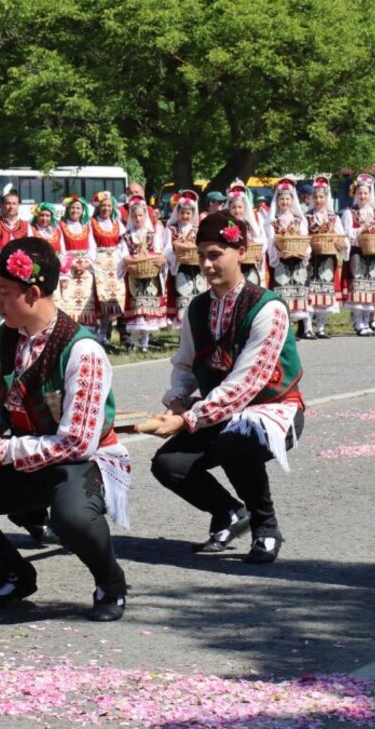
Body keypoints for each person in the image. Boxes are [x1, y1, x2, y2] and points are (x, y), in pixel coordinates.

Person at [0, 237, 131, 621]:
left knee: (72, 517)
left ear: (35, 293)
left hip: (80, 461)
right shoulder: (8, 335)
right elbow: (7, 404)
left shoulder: (82, 351)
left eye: (5, 292)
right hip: (30, 452)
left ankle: (111, 581)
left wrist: (1, 452)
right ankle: (15, 572)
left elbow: (77, 442)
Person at [148, 211, 304, 561]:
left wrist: (188, 419)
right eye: (201, 255)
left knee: (236, 441)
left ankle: (266, 527)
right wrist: (176, 400)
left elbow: (244, 385)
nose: (206, 264)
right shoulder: (197, 309)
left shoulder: (268, 308)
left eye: (215, 254)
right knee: (168, 465)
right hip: (218, 411)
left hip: (273, 410)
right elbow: (185, 364)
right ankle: (229, 512)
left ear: (241, 252)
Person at [342, 173, 375, 336]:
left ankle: (368, 321)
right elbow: (346, 234)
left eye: (365, 193)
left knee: (371, 289)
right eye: (360, 193)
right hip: (358, 253)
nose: (363, 196)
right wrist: (361, 230)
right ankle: (358, 322)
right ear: (355, 195)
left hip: (374, 253)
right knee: (359, 287)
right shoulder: (350, 213)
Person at [264, 178, 312, 334]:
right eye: (281, 199)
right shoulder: (273, 221)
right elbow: (270, 243)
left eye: (287, 199)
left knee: (299, 290)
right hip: (281, 262)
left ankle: (302, 326)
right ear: (277, 200)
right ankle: (284, 327)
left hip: (297, 259)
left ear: (292, 200)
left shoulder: (299, 220)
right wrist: (277, 254)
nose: (284, 202)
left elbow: (305, 239)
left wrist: (305, 252)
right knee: (282, 291)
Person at [120, 201, 169, 352]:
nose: (138, 219)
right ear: (131, 217)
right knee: (137, 310)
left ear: (145, 216)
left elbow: (158, 251)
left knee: (147, 311)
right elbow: (123, 254)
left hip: (150, 275)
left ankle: (145, 344)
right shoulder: (127, 236)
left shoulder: (151, 235)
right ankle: (134, 343)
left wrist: (153, 259)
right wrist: (129, 262)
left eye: (140, 215)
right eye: (135, 216)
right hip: (134, 274)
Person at [303, 176, 347, 339]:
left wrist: (340, 244)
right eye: (315, 197)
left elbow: (341, 236)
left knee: (324, 294)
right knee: (309, 292)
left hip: (328, 259)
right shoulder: (306, 217)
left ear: (326, 197)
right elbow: (302, 237)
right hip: (311, 260)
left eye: (321, 197)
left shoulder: (333, 217)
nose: (318, 200)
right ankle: (308, 327)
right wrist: (311, 245)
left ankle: (320, 326)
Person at [90, 191, 125, 346]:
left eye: (109, 205)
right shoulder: (92, 223)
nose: (106, 208)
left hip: (115, 263)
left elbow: (124, 241)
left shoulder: (117, 223)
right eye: (103, 205)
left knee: (113, 300)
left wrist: (123, 259)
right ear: (98, 207)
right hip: (100, 263)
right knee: (101, 299)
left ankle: (104, 336)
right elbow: (90, 243)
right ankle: (98, 335)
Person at [58, 195, 97, 326]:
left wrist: (88, 263)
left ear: (83, 210)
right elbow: (61, 247)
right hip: (69, 268)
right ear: (67, 209)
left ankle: (87, 331)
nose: (75, 211)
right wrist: (71, 264)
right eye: (72, 208)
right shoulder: (60, 225)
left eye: (78, 208)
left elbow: (92, 246)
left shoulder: (86, 227)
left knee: (86, 300)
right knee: (68, 300)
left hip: (85, 267)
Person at [166, 191, 204, 324]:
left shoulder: (197, 230)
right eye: (182, 213)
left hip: (196, 269)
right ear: (177, 213)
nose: (185, 216)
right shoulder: (172, 229)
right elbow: (167, 249)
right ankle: (183, 333)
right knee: (182, 303)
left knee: (197, 302)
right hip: (180, 267)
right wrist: (176, 255)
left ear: (193, 214)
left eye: (188, 213)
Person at [0, 192, 28, 262]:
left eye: (14, 203)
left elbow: (30, 248)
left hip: (22, 268)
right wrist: (8, 262)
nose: (11, 207)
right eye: (8, 203)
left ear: (18, 206)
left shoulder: (26, 225)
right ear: (2, 205)